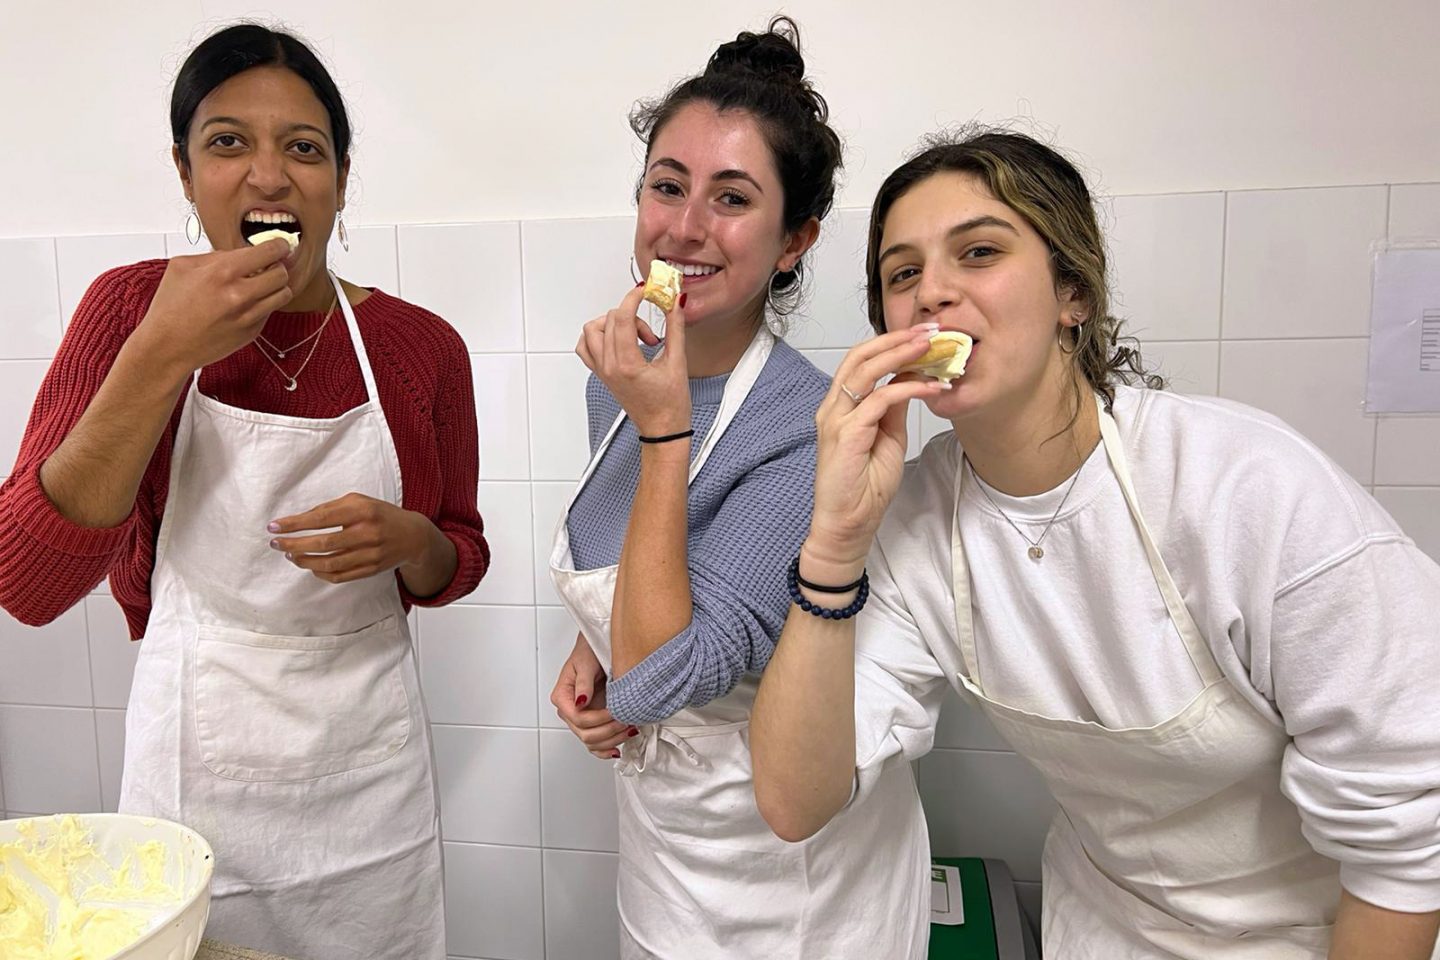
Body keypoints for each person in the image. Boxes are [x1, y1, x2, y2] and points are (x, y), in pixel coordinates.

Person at [750, 129, 1440, 959]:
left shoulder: (1247, 490)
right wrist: (834, 542)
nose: (933, 292)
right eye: (903, 275)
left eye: (978, 252)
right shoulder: (917, 519)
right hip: (1104, 927)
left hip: (1320, 934)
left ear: (1071, 291)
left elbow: (1406, 852)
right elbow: (795, 801)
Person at [0, 24, 487, 960]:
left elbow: (459, 555)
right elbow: (27, 584)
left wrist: (409, 543)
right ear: (186, 175)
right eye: (227, 143)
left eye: (303, 149)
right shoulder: (126, 311)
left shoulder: (423, 350)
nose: (268, 177)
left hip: (368, 795)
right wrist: (161, 352)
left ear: (341, 181)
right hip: (196, 783)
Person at [545, 16, 927, 958]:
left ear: (794, 240)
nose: (684, 227)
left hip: (791, 869)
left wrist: (664, 426)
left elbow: (662, 677)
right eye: (666, 187)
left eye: (732, 199)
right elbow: (643, 570)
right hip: (668, 844)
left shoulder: (810, 430)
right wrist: (591, 642)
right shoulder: (621, 377)